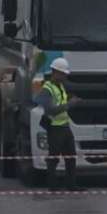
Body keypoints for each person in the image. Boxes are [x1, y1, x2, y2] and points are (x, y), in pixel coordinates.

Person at [35, 58, 84, 191]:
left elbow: (60, 102)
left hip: (64, 126)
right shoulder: (47, 89)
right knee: (54, 157)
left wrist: (70, 99)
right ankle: (52, 185)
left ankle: (71, 184)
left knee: (71, 156)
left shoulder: (60, 86)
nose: (64, 76)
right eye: (62, 73)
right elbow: (51, 110)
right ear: (55, 72)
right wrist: (69, 104)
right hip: (55, 128)